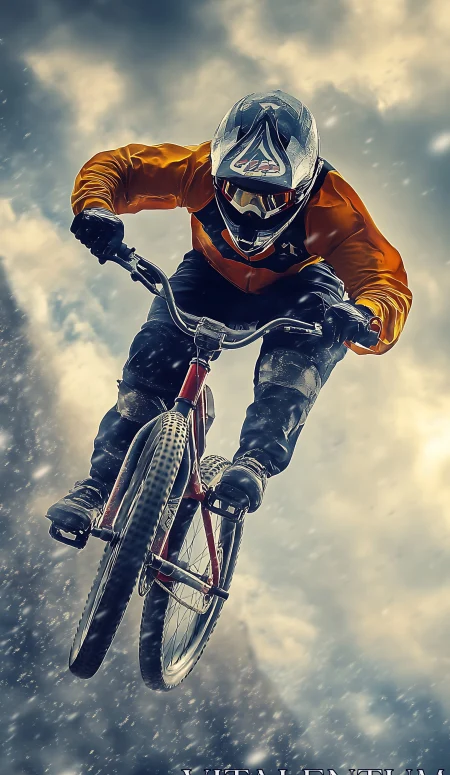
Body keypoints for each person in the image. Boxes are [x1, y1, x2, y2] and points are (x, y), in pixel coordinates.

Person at [47, 90, 412, 534]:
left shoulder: (333, 208)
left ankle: (254, 463)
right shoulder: (196, 169)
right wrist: (95, 208)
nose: (249, 210)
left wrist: (366, 315)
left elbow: (384, 281)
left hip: (297, 288)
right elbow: (120, 167)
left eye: (268, 199)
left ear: (300, 189)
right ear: (218, 172)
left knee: (297, 364)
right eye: (236, 191)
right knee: (151, 359)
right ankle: (99, 487)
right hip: (210, 277)